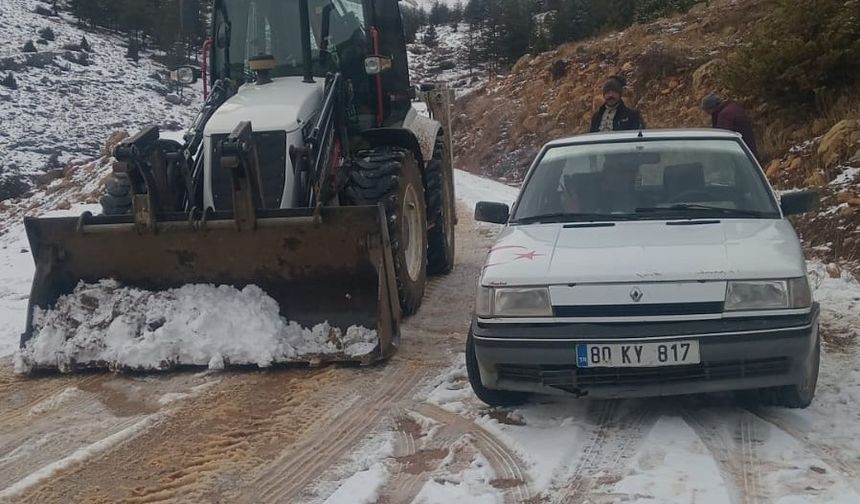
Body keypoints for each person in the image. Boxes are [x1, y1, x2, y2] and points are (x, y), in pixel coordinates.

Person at [701, 94, 758, 159]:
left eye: (707, 111)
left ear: (712, 107)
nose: (708, 113)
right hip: (749, 152)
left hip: (740, 155)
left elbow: (722, 139)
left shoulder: (725, 115)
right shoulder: (733, 107)